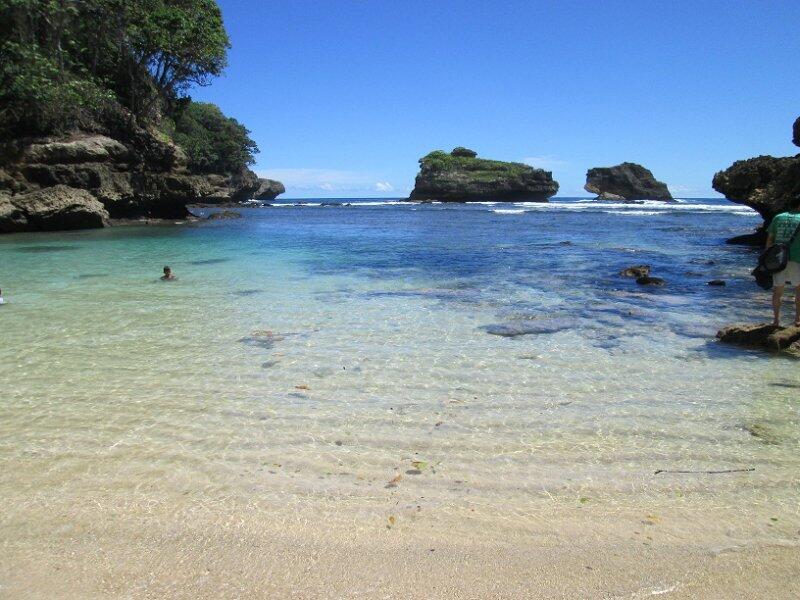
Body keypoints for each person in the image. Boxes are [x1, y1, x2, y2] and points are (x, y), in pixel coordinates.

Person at [766, 208, 800, 326]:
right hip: (797, 258)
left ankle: (776, 320)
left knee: (777, 291)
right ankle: (797, 320)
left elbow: (770, 239)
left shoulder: (778, 217)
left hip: (779, 259)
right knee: (798, 290)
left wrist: (767, 258)